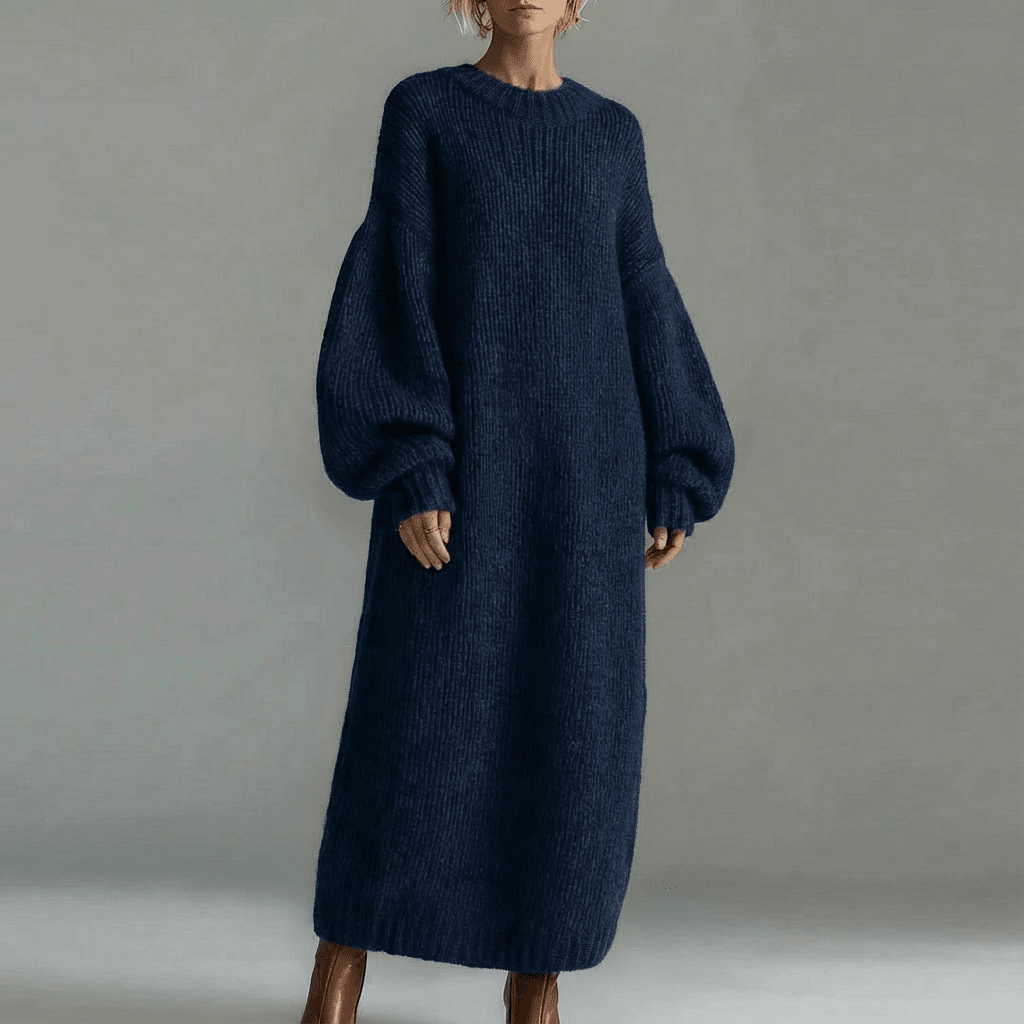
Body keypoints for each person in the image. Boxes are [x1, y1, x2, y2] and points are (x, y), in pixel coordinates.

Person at [300, 1, 735, 1021]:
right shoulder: (426, 111)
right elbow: (395, 274)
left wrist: (675, 463)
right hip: (470, 468)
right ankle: (340, 965)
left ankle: (537, 978)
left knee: (574, 721)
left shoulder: (611, 134)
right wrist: (414, 462)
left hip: (588, 478)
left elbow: (645, 291)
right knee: (415, 720)